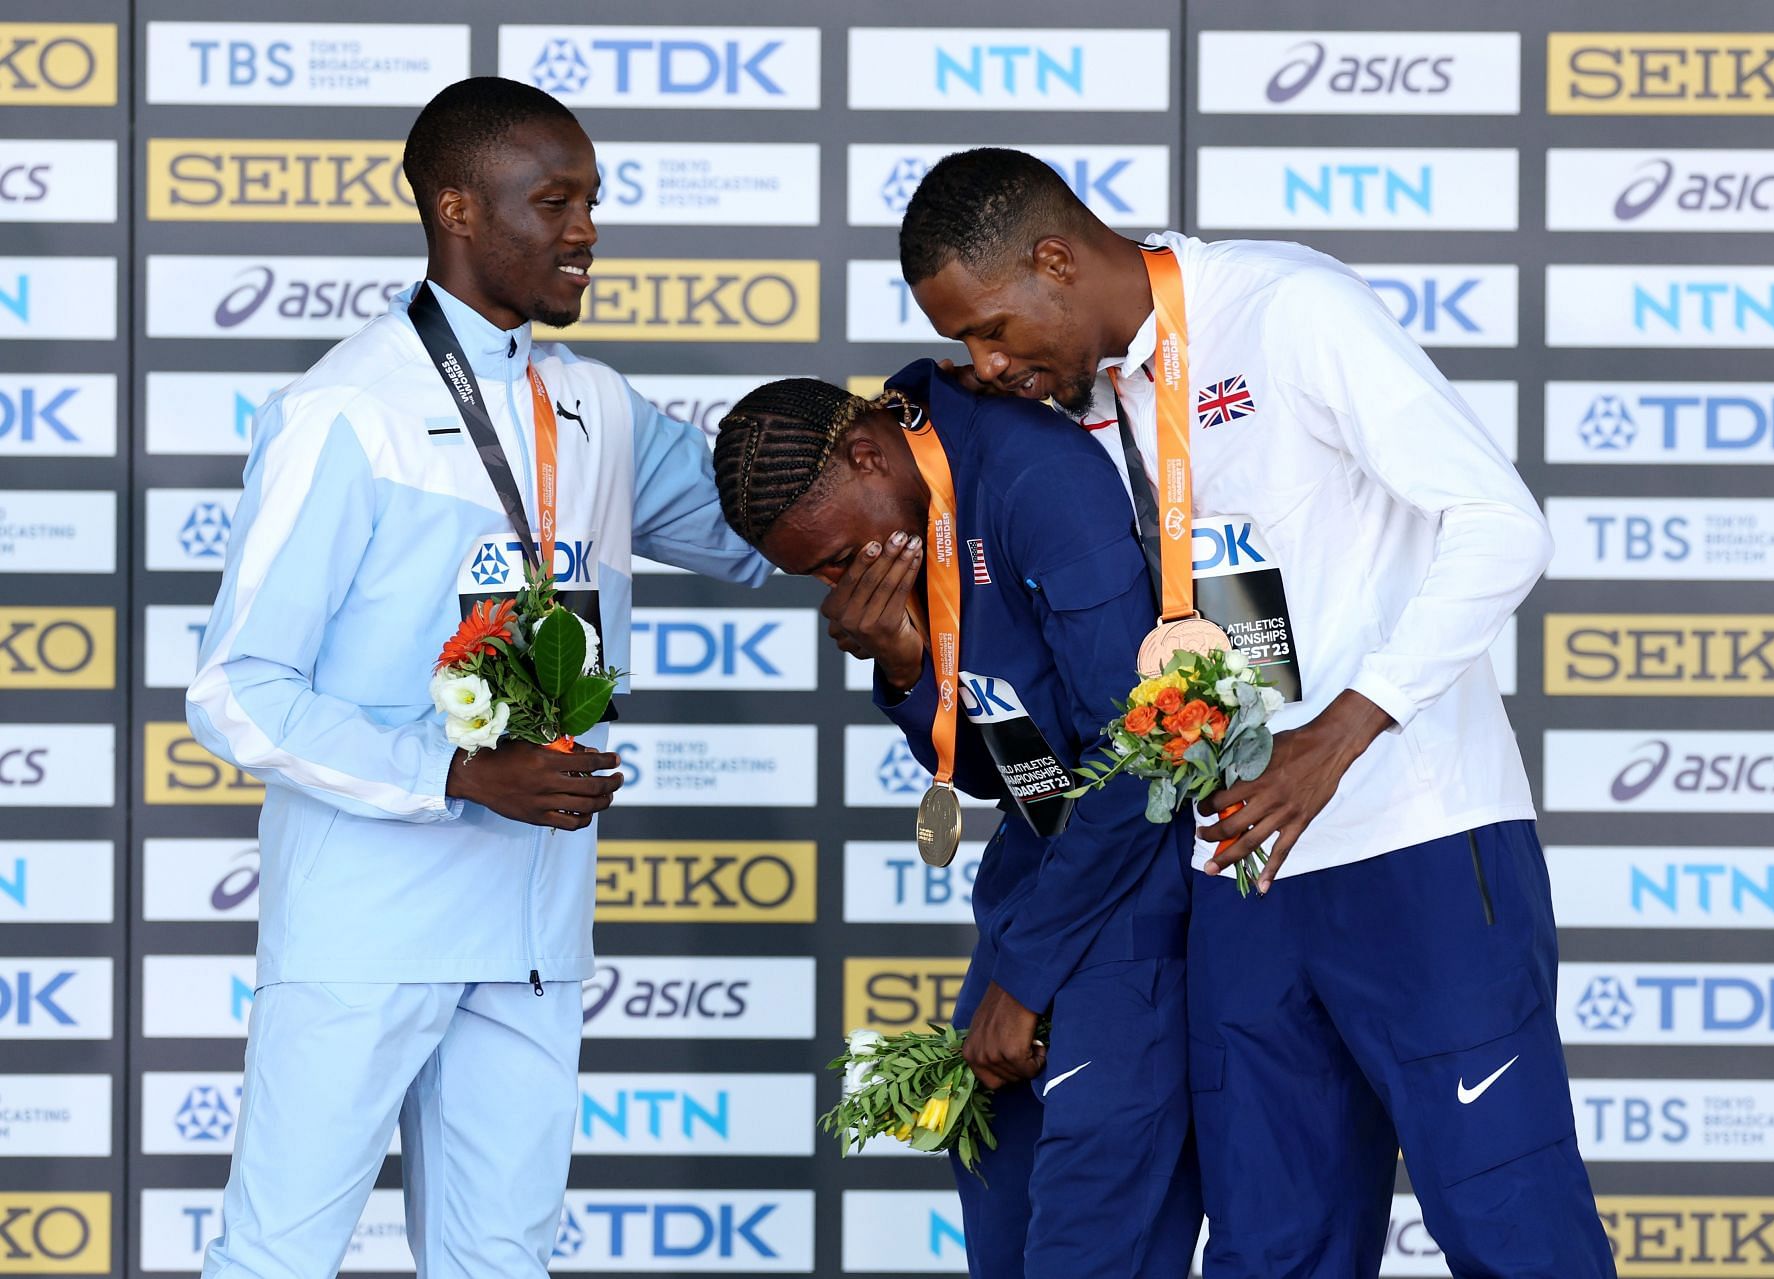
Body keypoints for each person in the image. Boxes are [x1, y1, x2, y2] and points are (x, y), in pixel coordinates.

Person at [899, 148, 1614, 1279]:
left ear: (1055, 259)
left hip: (1414, 843)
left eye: (994, 328)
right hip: (1237, 874)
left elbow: (1502, 522)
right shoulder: (1089, 402)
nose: (986, 365)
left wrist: (1345, 725)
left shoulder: (1291, 309)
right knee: (1274, 1250)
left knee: (1509, 1231)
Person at [183, 77, 768, 1277]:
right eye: (554, 201)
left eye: (593, 202)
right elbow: (237, 688)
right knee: (277, 1259)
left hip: (533, 927)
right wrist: (454, 772)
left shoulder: (593, 404)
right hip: (369, 929)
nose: (586, 231)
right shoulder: (346, 411)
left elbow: (759, 533)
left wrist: (920, 467)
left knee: (500, 1261)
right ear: (457, 207)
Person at [709, 366, 1200, 1278]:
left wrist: (1023, 975)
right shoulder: (911, 490)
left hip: (1138, 900)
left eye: (836, 554)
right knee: (1003, 1241)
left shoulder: (1027, 474)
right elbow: (1008, 770)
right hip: (1042, 888)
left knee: (1085, 1254)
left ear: (867, 453)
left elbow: (1143, 763)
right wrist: (902, 662)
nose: (837, 582)